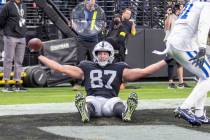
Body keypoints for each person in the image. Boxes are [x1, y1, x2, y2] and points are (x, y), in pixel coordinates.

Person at [38, 41, 168, 123]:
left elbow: (144, 72)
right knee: (91, 105)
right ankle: (86, 112)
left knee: (117, 105)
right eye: (100, 53)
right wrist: (166, 60)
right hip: (93, 98)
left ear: (110, 54)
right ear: (95, 54)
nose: (102, 56)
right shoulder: (86, 67)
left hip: (110, 100)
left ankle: (125, 113)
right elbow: (61, 68)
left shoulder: (119, 68)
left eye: (105, 53)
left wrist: (40, 55)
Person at [165, 0, 210, 125]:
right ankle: (184, 108)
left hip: (175, 42)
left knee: (204, 76)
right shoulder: (206, 4)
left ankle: (199, 113)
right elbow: (203, 24)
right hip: (184, 44)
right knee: (209, 77)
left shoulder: (194, 2)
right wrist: (202, 47)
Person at [71, 0, 103, 90]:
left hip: (93, 40)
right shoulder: (80, 11)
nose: (92, 2)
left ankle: (94, 82)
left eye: (93, 0)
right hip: (82, 40)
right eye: (90, 0)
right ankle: (78, 83)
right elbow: (75, 21)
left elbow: (101, 23)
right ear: (86, 2)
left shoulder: (98, 11)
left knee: (94, 62)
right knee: (80, 62)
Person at [0, 0, 27, 92]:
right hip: (10, 36)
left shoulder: (24, 5)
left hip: (22, 36)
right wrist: (6, 31)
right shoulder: (8, 6)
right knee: (8, 60)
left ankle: (17, 83)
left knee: (19, 61)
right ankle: (6, 84)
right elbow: (1, 20)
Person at [164, 5, 190, 89]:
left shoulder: (181, 18)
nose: (182, 10)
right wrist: (168, 15)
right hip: (171, 42)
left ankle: (181, 82)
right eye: (181, 8)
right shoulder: (171, 16)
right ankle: (170, 83)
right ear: (177, 9)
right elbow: (167, 27)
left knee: (180, 62)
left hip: (179, 42)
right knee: (171, 62)